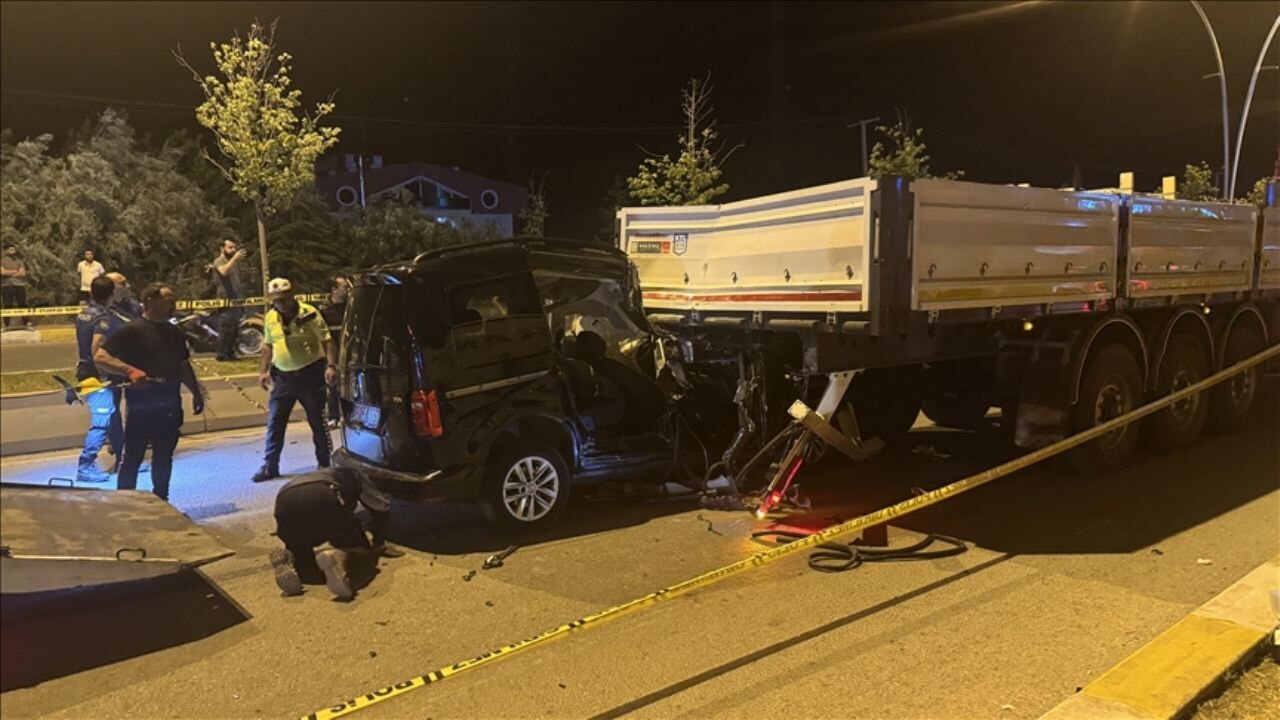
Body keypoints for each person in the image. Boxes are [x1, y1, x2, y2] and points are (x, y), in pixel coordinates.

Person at [94, 282, 205, 502]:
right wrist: (130, 370)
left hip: (170, 404)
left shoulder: (174, 332)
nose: (173, 305)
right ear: (149, 302)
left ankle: (162, 502)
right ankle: (125, 505)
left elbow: (183, 365)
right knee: (132, 458)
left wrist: (196, 392)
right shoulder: (131, 330)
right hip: (142, 406)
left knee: (164, 457)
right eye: (167, 300)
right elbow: (101, 357)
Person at [268, 466, 402, 600]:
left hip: (284, 500)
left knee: (301, 552)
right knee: (362, 552)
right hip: (321, 495)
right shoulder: (357, 475)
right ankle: (340, 558)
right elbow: (381, 508)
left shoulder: (322, 473)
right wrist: (378, 543)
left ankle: (292, 561)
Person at [252, 277, 337, 483]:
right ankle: (270, 465)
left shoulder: (309, 314)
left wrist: (331, 366)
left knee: (317, 420)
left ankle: (325, 463)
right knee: (275, 423)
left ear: (292, 296)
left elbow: (327, 340)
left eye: (284, 299)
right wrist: (263, 371)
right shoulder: (271, 317)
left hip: (310, 373)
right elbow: (268, 345)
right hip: (283, 377)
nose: (280, 304)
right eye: (276, 300)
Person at [73, 276, 130, 483]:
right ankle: (86, 465)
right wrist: (105, 373)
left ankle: (123, 459)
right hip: (99, 377)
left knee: (112, 418)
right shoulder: (102, 317)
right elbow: (96, 347)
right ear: (112, 293)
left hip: (86, 371)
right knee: (102, 421)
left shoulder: (84, 313)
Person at [209, 238, 247, 361]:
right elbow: (223, 271)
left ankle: (231, 353)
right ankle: (221, 354)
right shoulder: (219, 261)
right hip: (225, 299)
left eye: (234, 247)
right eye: (230, 247)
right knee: (226, 328)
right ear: (222, 248)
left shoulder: (233, 262)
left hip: (236, 299)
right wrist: (235, 259)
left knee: (234, 328)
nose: (233, 250)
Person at [320, 276, 350, 428]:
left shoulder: (349, 308)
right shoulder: (324, 311)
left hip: (349, 351)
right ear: (334, 290)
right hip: (332, 353)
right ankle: (333, 416)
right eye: (343, 287)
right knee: (332, 384)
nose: (346, 290)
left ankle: (349, 415)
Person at [1, 244, 31, 329]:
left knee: (23, 304)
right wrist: (16, 271)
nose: (12, 251)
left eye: (13, 249)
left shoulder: (19, 261)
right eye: (10, 249)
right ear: (6, 251)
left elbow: (22, 273)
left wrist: (9, 273)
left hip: (19, 285)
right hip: (6, 285)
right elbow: (2, 272)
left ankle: (27, 323)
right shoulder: (2, 261)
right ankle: (6, 325)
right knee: (7, 305)